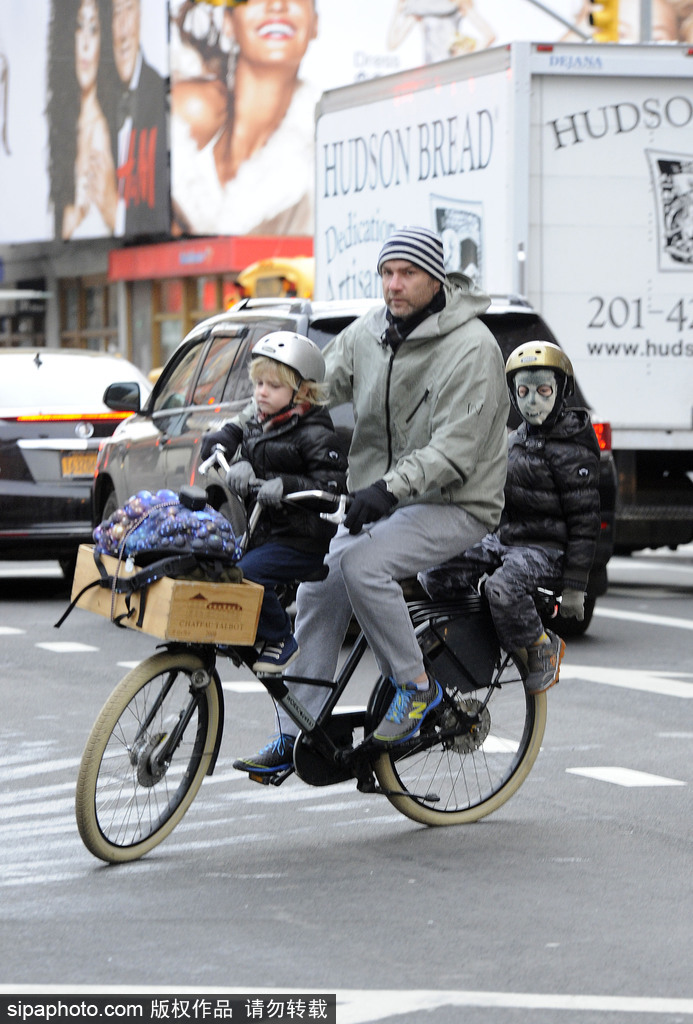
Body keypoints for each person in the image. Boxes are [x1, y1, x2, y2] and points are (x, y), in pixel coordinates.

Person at [230, 226, 510, 775]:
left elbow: (455, 449)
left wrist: (386, 489)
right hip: (380, 499)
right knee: (320, 582)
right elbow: (303, 389)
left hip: (456, 501)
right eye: (386, 273)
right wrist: (238, 430)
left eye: (406, 274)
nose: (394, 285)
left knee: (362, 565)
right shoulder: (369, 334)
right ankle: (296, 733)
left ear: (435, 278)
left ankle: (415, 687)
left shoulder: (473, 348)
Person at [420, 341, 601, 694]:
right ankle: (475, 633)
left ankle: (539, 645)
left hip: (546, 551)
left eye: (543, 391)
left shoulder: (574, 450)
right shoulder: (515, 440)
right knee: (433, 569)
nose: (533, 401)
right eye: (524, 391)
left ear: (562, 391)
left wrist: (576, 586)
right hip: (504, 539)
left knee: (502, 588)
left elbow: (585, 522)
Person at [207, 331, 347, 677]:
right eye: (258, 384)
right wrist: (232, 457)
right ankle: (244, 632)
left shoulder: (315, 431)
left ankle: (281, 638)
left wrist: (285, 485)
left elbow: (332, 484)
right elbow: (223, 437)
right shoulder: (260, 420)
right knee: (220, 569)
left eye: (273, 386)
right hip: (267, 532)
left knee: (247, 575)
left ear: (302, 392)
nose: (262, 393)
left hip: (303, 539)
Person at [170, 0, 318, 235]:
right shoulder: (179, 134)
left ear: (315, 25)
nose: (277, 5)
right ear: (228, 22)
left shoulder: (319, 170)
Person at [47, 0, 119, 240]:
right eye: (79, 27)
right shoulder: (67, 128)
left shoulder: (101, 132)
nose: (86, 44)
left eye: (93, 29)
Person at [111, 0, 169, 236]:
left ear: (140, 15)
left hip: (152, 238)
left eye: (129, 10)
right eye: (116, 14)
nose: (124, 29)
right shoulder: (93, 99)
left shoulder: (159, 93)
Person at [386, 0, 496, 63]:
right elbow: (392, 44)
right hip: (430, 71)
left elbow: (490, 36)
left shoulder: (458, 4)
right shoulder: (420, 8)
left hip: (453, 70)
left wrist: (467, 52)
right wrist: (397, 12)